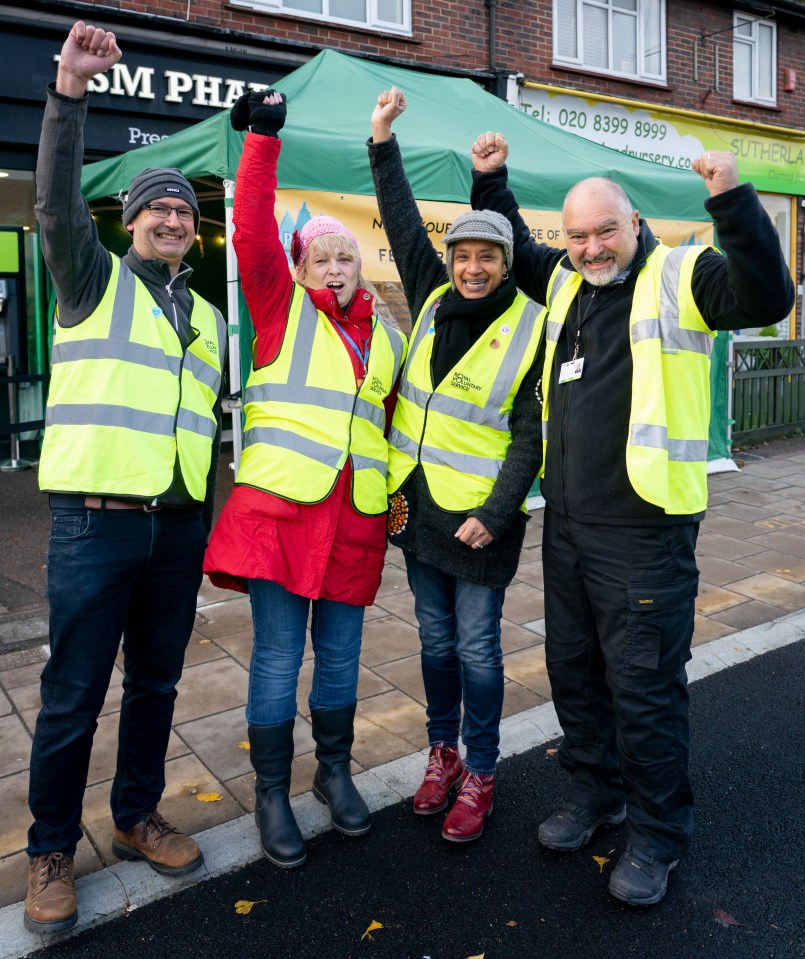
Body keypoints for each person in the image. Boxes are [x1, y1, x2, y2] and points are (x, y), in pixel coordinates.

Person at [470, 134, 795, 903]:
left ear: (634, 221)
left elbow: (767, 297)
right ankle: (595, 794)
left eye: (603, 231)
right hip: (570, 527)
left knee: (643, 690)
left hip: (645, 534)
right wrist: (490, 179)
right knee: (574, 675)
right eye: (576, 235)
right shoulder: (562, 284)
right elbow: (516, 246)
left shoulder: (680, 274)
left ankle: (657, 832)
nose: (589, 247)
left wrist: (730, 199)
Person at [26, 21, 226, 935]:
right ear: (129, 217)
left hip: (176, 525)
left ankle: (138, 813)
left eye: (184, 211)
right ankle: (50, 850)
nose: (173, 220)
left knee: (156, 682)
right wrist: (69, 95)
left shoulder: (210, 317)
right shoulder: (88, 278)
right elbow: (56, 206)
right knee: (73, 692)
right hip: (93, 524)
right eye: (158, 208)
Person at [203, 90, 407, 869]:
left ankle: (333, 771)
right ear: (298, 265)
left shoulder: (384, 339)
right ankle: (268, 791)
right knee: (279, 661)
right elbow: (252, 228)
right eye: (320, 254)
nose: (334, 265)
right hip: (280, 518)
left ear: (362, 266)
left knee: (344, 659)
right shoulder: (280, 308)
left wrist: (397, 498)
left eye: (345, 255)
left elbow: (388, 430)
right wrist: (262, 138)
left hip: (353, 523)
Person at [368, 89, 545, 843]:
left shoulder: (530, 323)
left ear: (507, 263)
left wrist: (496, 514)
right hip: (418, 510)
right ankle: (440, 753)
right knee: (434, 643)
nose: (472, 268)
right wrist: (381, 140)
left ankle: (480, 769)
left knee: (476, 646)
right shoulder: (431, 295)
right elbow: (401, 216)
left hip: (479, 521)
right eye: (463, 255)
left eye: (487, 257)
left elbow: (529, 437)